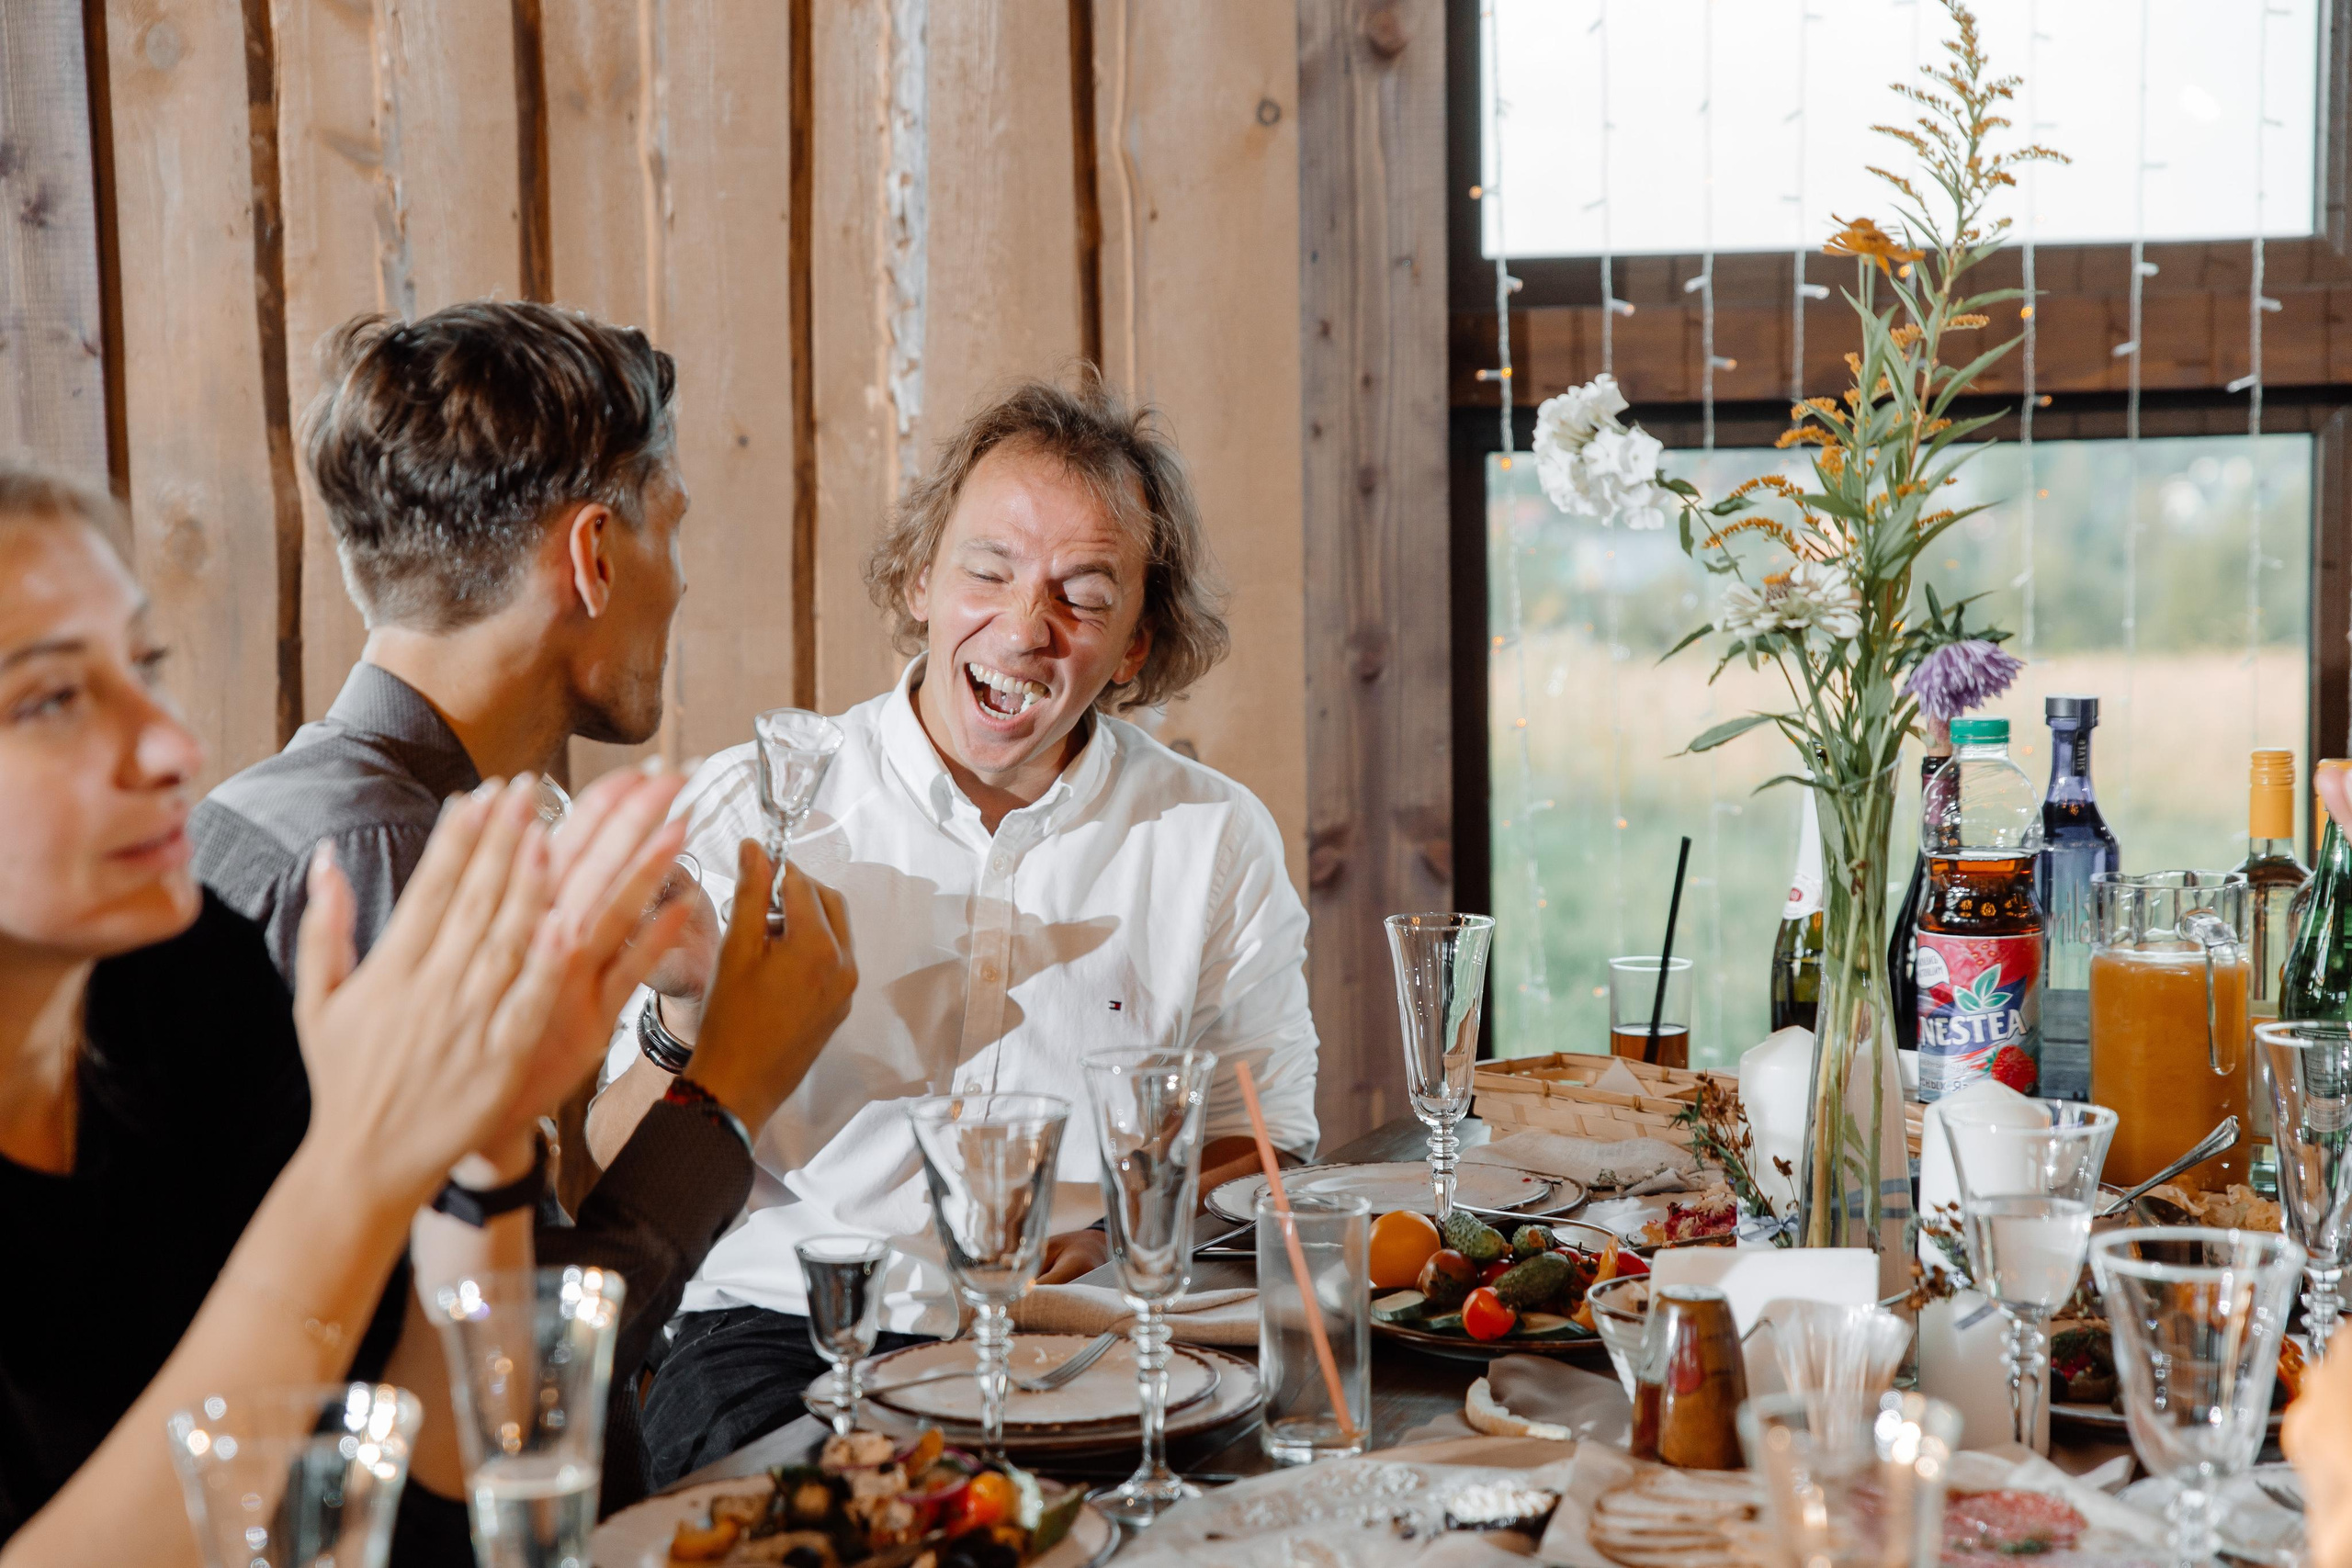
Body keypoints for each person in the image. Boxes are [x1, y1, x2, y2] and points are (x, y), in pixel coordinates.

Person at [0, 461, 799, 1565]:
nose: (173, 745)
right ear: (593, 553)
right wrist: (361, 1167)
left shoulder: (177, 981)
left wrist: (484, 1148)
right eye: (48, 699)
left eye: (145, 665)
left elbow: (437, 1490)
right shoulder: (359, 854)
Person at [602, 374, 1323, 1484]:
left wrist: (1131, 1246)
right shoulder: (750, 811)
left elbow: (1259, 1151)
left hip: (1085, 1338)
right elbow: (607, 1170)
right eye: (988, 571)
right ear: (921, 582)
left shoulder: (1211, 838)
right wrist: (679, 1015)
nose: (1026, 628)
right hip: (780, 1334)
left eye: (1084, 593)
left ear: (1136, 642)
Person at [186, 301, 851, 1503]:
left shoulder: (293, 811)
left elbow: (508, 1227)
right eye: (674, 531)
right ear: (595, 553)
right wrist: (738, 1084)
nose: (684, 580)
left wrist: (675, 1025)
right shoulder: (401, 863)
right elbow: (510, 1391)